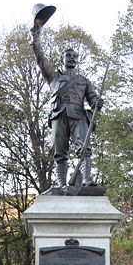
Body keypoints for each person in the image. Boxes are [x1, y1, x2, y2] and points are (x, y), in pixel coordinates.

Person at [31, 26, 103, 191]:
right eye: (68, 56)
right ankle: (62, 183)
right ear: (62, 59)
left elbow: (93, 99)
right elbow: (40, 58)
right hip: (58, 114)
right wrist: (36, 36)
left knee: (84, 147)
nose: (71, 58)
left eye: (74, 56)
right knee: (60, 151)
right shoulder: (54, 77)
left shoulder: (84, 81)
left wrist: (97, 103)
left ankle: (86, 179)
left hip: (78, 115)